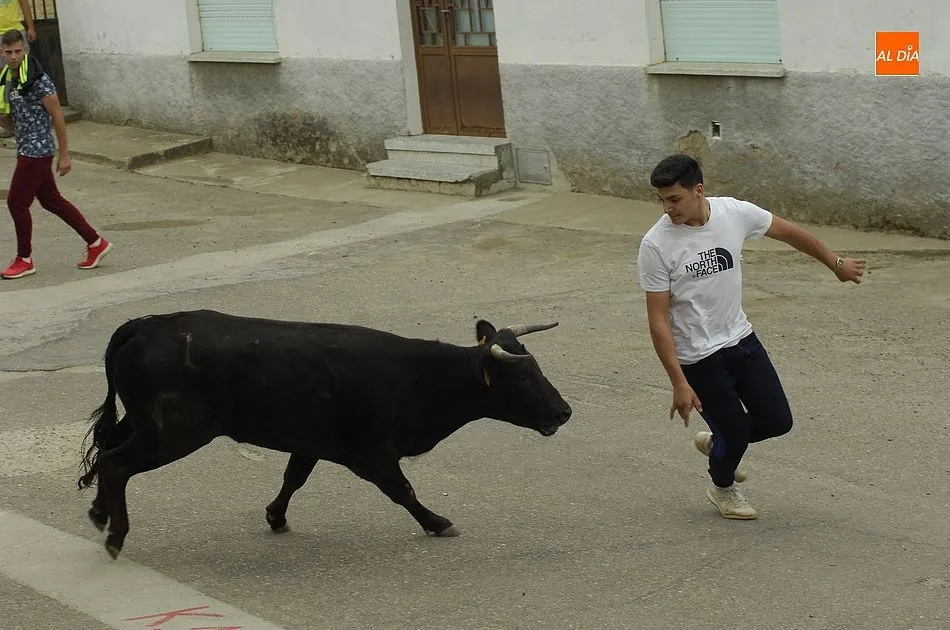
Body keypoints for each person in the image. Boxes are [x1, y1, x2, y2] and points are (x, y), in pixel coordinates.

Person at [636, 153, 866, 520]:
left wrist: (835, 263)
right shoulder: (656, 245)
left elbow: (792, 233)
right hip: (697, 357)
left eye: (674, 199)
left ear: (698, 191)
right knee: (738, 436)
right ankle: (722, 485)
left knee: (778, 421)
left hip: (740, 340)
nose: (667, 209)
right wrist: (678, 382)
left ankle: (720, 442)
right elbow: (658, 320)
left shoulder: (734, 213)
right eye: (662, 200)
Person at [0, 29, 112, 279]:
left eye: (18, 51)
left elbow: (58, 115)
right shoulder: (7, 77)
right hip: (24, 147)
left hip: (37, 150)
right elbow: (10, 122)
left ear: (25, 50)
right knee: (51, 200)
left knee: (16, 202)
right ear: (2, 52)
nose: (14, 56)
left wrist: (64, 154)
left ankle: (24, 259)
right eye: (8, 52)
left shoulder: (38, 79)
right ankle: (96, 243)